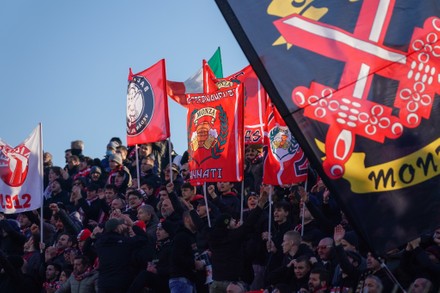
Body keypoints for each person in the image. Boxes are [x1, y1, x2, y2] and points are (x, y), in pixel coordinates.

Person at [168, 211, 205, 293]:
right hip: (181, 281)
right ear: (187, 219)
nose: (197, 220)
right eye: (194, 218)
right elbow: (176, 257)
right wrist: (194, 263)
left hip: (189, 280)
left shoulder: (192, 236)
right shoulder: (181, 236)